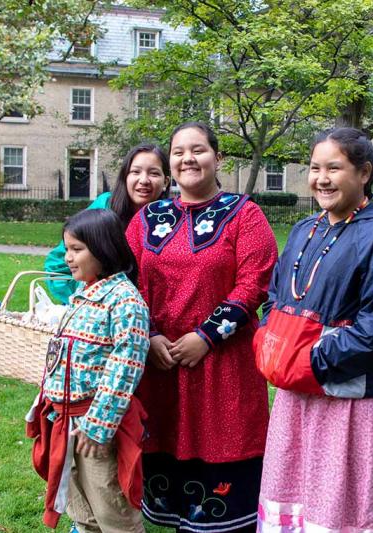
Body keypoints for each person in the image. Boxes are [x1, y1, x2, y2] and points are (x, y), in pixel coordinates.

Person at [253, 127, 373, 532]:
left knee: (339, 509)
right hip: (295, 392)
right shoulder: (306, 229)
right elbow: (275, 295)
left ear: (364, 173)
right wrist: (274, 341)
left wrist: (311, 359)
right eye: (314, 167)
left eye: (334, 168)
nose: (321, 178)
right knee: (292, 500)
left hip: (346, 400)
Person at [125, 121, 278, 532]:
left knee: (225, 470)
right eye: (178, 152)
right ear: (170, 162)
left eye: (198, 150)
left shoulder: (244, 215)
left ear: (217, 158)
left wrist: (206, 336)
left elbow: (255, 282)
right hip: (161, 367)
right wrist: (151, 335)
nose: (188, 159)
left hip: (222, 367)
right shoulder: (146, 219)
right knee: (167, 455)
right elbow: (129, 282)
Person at [26, 208, 150, 532]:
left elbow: (126, 366)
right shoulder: (83, 293)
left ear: (105, 248)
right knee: (81, 508)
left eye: (76, 249)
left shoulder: (124, 300)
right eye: (66, 248)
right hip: (64, 420)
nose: (68, 257)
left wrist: (98, 425)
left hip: (94, 428)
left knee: (112, 510)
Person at [44, 143, 171, 303]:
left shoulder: (174, 220)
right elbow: (58, 263)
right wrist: (84, 300)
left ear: (166, 181)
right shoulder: (105, 207)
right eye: (135, 172)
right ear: (125, 177)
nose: (144, 180)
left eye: (153, 173)